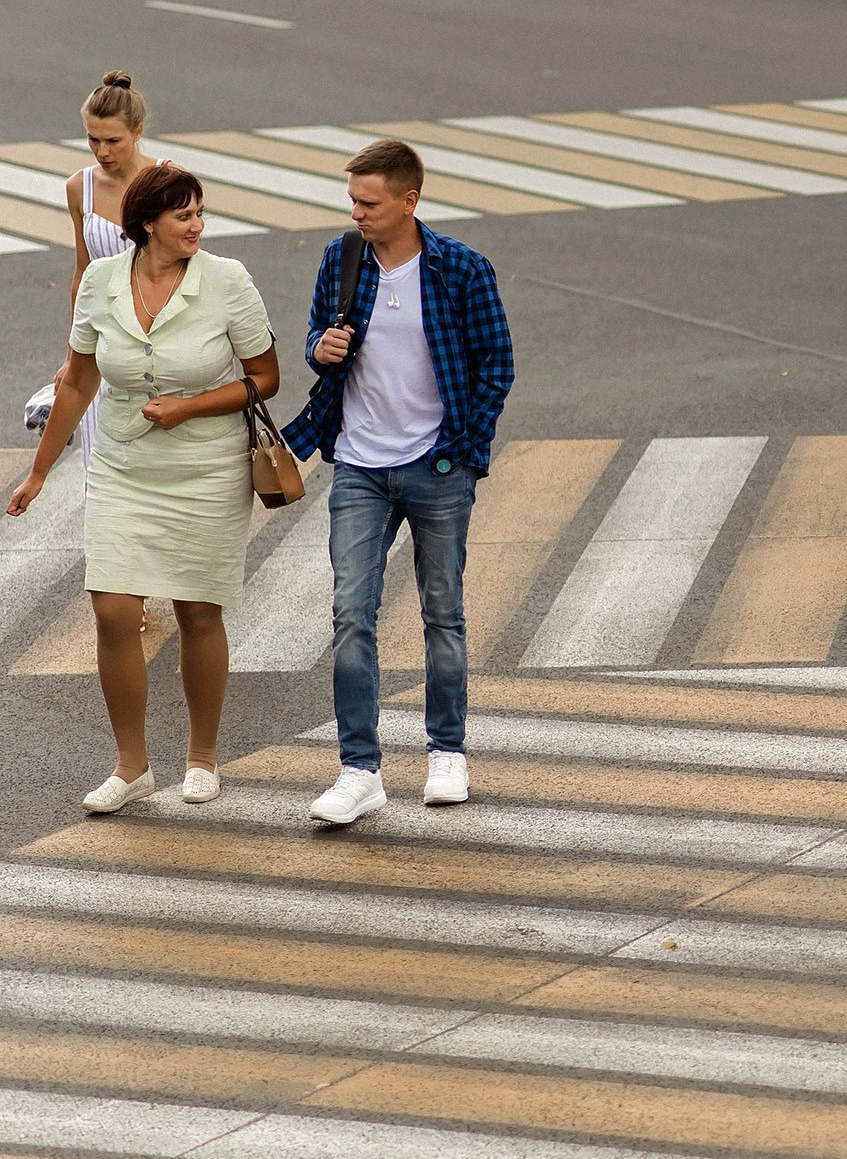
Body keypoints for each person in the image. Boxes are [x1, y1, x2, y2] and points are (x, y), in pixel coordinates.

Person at [7, 163, 281, 813]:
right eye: (184, 214)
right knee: (110, 609)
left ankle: (203, 757)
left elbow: (265, 376)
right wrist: (41, 469)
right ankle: (131, 765)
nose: (197, 224)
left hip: (207, 467)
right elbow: (77, 381)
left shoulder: (227, 281)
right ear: (148, 223)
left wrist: (191, 407)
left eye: (199, 212)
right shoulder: (102, 282)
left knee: (196, 610)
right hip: (124, 465)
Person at [283, 141, 515, 825]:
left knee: (443, 613)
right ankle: (360, 769)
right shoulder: (342, 258)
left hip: (437, 467)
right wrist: (319, 348)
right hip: (358, 462)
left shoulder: (460, 269)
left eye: (369, 202)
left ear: (409, 202)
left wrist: (463, 452)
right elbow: (317, 339)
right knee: (351, 612)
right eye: (352, 199)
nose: (356, 212)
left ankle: (448, 750)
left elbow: (495, 364)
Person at [51, 73, 161, 464]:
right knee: (99, 464)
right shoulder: (79, 187)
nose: (102, 151)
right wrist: (70, 358)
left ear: (137, 132)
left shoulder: (168, 180)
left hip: (158, 337)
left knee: (154, 465)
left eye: (113, 140)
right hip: (102, 340)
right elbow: (82, 272)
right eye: (93, 139)